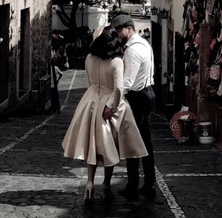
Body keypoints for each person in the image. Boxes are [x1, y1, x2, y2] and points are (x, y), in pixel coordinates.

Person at [62, 26, 148, 203]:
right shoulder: (116, 61)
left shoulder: (88, 58)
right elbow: (118, 88)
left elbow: (88, 82)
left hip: (90, 101)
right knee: (109, 145)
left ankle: (90, 183)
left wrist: (92, 98)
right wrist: (113, 107)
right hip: (108, 103)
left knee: (92, 145)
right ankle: (106, 184)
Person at [111, 14, 157, 199]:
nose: (117, 34)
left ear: (128, 28)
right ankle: (149, 184)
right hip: (148, 93)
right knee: (145, 142)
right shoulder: (144, 44)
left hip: (138, 98)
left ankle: (133, 186)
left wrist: (111, 105)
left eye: (119, 30)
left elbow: (127, 82)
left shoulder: (132, 50)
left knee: (131, 142)